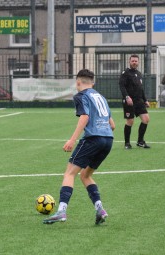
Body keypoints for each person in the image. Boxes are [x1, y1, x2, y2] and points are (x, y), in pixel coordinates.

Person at [43, 69, 115, 225]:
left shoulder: (81, 96)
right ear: (93, 82)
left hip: (93, 139)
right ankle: (100, 209)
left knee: (69, 173)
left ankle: (61, 211)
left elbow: (85, 116)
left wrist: (72, 139)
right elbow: (113, 125)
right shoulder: (101, 97)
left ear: (78, 82)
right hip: (108, 140)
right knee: (85, 175)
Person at [119, 54, 150, 149]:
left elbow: (141, 89)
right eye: (132, 61)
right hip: (129, 101)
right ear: (129, 61)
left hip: (139, 101)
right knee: (130, 121)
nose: (134, 62)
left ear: (138, 62)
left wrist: (145, 100)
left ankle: (140, 141)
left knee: (146, 119)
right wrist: (127, 97)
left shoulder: (139, 74)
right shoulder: (125, 73)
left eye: (136, 61)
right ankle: (127, 143)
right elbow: (122, 86)